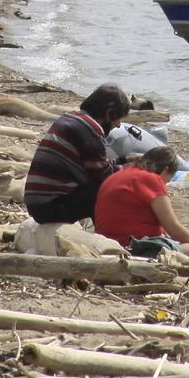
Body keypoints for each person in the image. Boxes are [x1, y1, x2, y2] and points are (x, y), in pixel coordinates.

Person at [23, 84, 134, 253]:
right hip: (50, 207)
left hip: (38, 203)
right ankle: (110, 240)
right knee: (109, 189)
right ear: (109, 112)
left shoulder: (72, 119)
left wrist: (122, 162)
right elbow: (103, 176)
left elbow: (94, 164)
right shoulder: (91, 130)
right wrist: (130, 169)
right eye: (118, 118)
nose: (118, 125)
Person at [96, 142, 189, 264]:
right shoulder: (151, 179)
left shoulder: (120, 174)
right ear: (166, 169)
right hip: (135, 247)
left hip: (109, 240)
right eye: (168, 180)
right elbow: (173, 229)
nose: (165, 184)